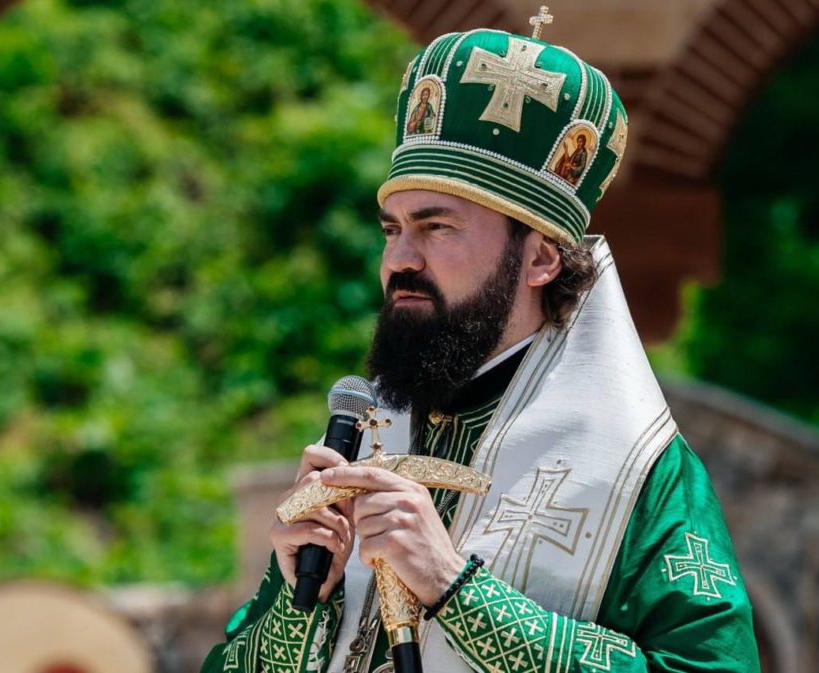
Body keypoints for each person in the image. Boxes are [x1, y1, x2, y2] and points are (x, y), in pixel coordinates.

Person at [203, 15, 760, 673]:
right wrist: (302, 604)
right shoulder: (369, 433)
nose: (399, 260)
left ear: (541, 258)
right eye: (392, 230)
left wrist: (457, 590)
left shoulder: (637, 469)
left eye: (437, 228)